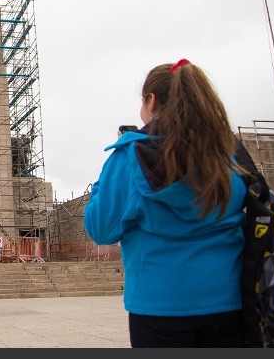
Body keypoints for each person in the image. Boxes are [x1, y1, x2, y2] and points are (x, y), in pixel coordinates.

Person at [83, 58, 248, 348]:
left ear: (152, 100)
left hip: (160, 304)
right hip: (231, 299)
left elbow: (101, 228)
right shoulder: (228, 155)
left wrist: (102, 181)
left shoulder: (131, 156)